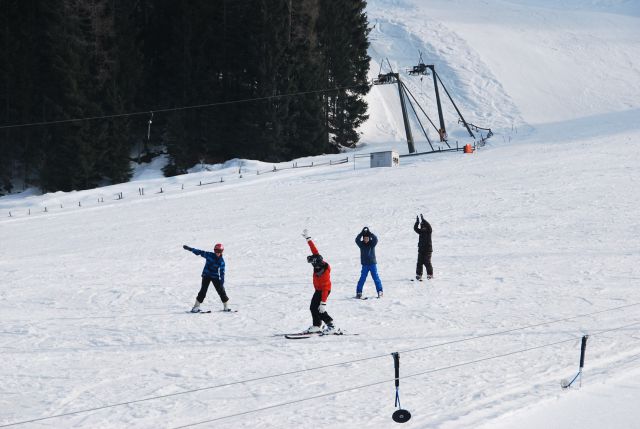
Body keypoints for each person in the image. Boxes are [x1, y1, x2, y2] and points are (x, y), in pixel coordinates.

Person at [301, 229, 335, 334]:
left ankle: (331, 326)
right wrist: (308, 238)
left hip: (324, 291)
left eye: (312, 263)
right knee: (313, 307)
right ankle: (316, 325)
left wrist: (323, 303)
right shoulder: (319, 262)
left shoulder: (324, 274)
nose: (311, 264)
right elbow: (314, 249)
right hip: (318, 290)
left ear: (316, 263)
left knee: (320, 309)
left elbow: (325, 288)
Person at [183, 243, 229, 312]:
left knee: (221, 290)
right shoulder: (209, 255)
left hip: (215, 276)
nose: (217, 253)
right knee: (203, 291)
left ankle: (226, 307)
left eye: (219, 251)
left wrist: (222, 282)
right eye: (216, 251)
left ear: (222, 251)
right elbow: (199, 252)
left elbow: (222, 272)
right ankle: (196, 307)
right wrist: (190, 249)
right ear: (214, 251)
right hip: (206, 275)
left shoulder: (221, 261)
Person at [355, 227, 383, 298]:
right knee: (362, 278)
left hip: (372, 264)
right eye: (364, 238)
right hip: (365, 265)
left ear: (369, 238)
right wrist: (361, 233)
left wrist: (370, 234)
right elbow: (356, 240)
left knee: (376, 278)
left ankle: (380, 291)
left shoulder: (372, 244)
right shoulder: (361, 245)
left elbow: (376, 239)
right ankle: (359, 292)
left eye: (367, 238)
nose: (366, 240)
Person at [414, 214, 433, 280]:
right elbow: (415, 229)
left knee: (427, 262)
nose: (423, 227)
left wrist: (423, 220)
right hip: (421, 250)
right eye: (422, 225)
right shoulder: (421, 232)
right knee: (419, 262)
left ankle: (430, 274)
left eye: (423, 225)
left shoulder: (429, 231)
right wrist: (417, 222)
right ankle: (419, 275)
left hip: (428, 250)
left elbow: (429, 226)